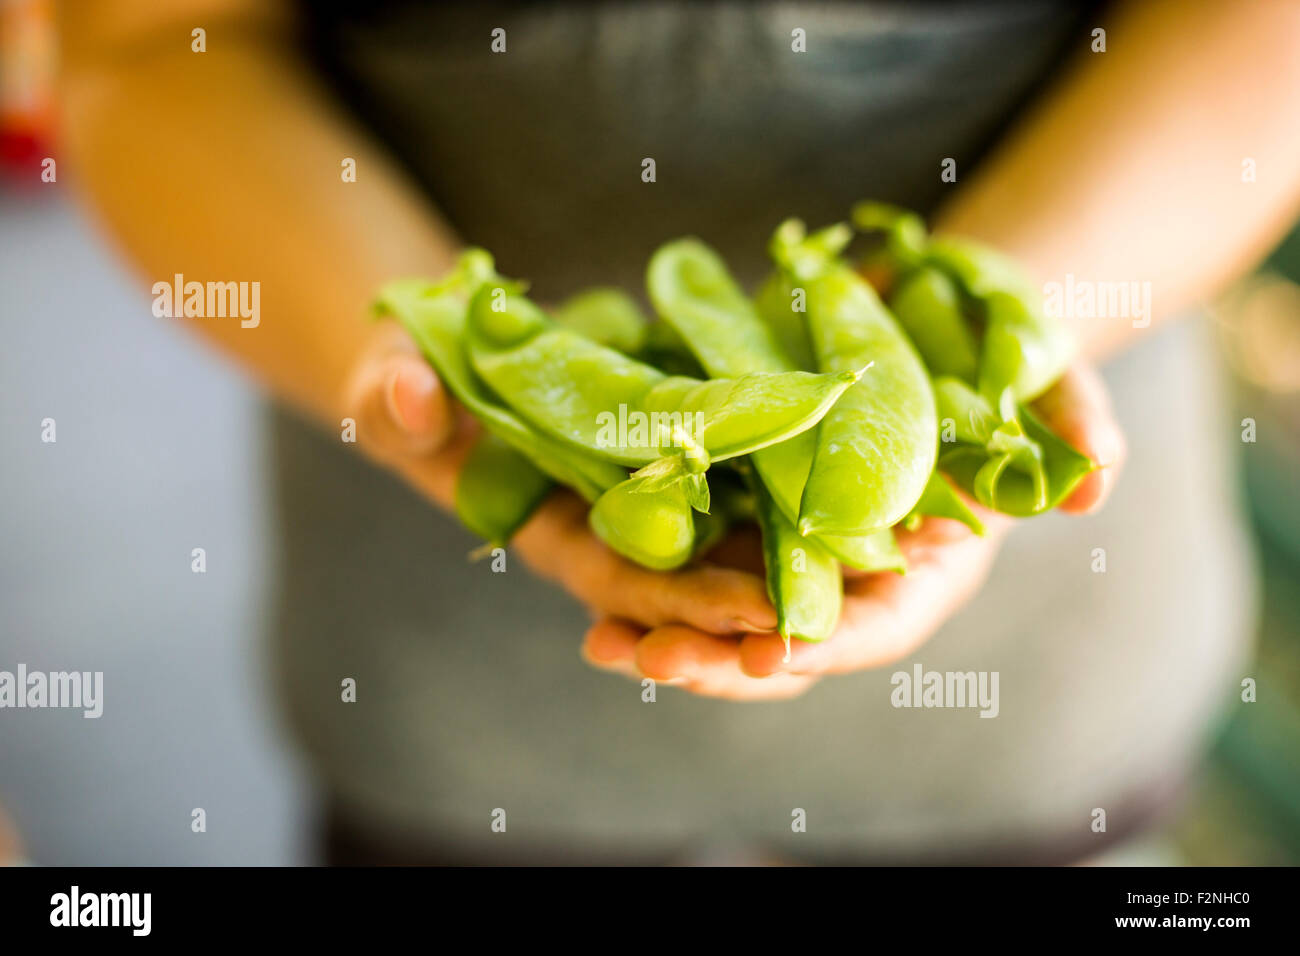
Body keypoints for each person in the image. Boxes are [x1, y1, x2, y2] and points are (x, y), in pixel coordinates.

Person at [58, 0, 1300, 864]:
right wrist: (398, 358)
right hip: (452, 685)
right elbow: (151, 39)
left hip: (1034, 683)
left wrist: (1015, 307)